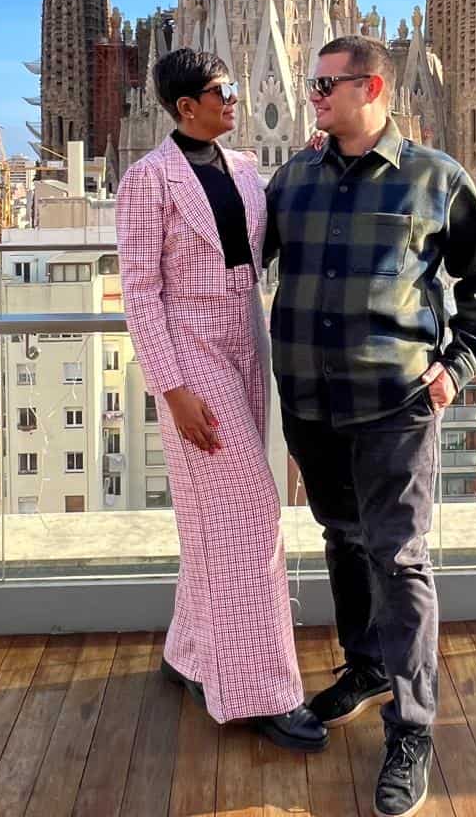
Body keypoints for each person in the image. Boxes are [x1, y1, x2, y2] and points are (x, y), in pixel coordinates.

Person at [265, 35, 476, 817]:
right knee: (340, 536)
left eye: (323, 84)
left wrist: (456, 366)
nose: (312, 96)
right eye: (309, 85)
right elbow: (234, 254)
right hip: (309, 398)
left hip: (393, 402)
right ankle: (365, 667)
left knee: (399, 557)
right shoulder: (294, 176)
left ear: (370, 87)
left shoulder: (436, 178)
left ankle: (412, 728)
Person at [115, 48, 326, 753]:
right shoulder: (149, 180)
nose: (234, 99)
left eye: (234, 87)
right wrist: (170, 388)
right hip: (192, 355)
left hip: (245, 342)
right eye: (221, 91)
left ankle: (188, 652)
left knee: (217, 515)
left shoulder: (240, 170)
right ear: (185, 108)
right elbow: (141, 292)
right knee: (251, 511)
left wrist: (311, 156)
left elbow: (255, 250)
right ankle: (259, 692)